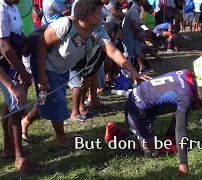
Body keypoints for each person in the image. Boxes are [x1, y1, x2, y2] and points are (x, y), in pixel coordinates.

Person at [22, 0, 150, 148]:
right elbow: (41, 45)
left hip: (63, 69)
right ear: (88, 15)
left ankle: (25, 122)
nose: (101, 15)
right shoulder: (66, 24)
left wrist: (133, 71)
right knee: (56, 101)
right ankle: (61, 138)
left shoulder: (97, 31)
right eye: (97, 12)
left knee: (46, 100)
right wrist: (42, 74)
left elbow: (113, 52)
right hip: (46, 65)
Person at [104, 69, 202, 176]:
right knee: (151, 152)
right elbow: (181, 129)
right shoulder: (187, 97)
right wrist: (183, 163)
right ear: (199, 99)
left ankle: (168, 138)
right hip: (136, 109)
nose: (197, 108)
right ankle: (118, 136)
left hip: (139, 97)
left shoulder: (187, 75)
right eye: (199, 106)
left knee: (182, 107)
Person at [0, 0, 36, 175]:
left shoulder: (11, 6)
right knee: (16, 104)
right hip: (4, 65)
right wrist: (22, 72)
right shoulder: (0, 9)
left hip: (11, 63)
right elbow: (4, 47)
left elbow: (14, 35)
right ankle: (19, 156)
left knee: (10, 105)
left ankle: (8, 148)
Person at [122, 0, 153, 74]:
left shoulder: (137, 9)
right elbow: (135, 26)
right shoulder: (134, 10)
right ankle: (124, 72)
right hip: (128, 36)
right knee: (128, 55)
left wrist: (144, 28)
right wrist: (144, 29)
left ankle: (139, 68)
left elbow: (138, 23)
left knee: (136, 52)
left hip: (133, 36)